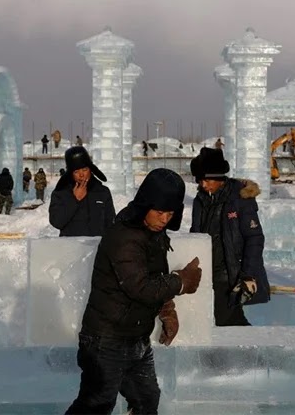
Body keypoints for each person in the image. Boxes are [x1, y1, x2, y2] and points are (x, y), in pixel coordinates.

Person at [64, 168, 203, 415]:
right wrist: (181, 282)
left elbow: (155, 277)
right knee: (96, 404)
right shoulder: (125, 236)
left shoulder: (155, 234)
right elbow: (139, 287)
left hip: (135, 336)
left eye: (170, 213)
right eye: (159, 212)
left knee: (146, 400)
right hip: (105, 340)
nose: (164, 219)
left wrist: (167, 310)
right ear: (145, 205)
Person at [189, 147, 271, 326]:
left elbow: (254, 238)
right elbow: (195, 234)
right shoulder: (200, 200)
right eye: (200, 180)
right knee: (225, 320)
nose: (203, 185)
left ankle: (247, 352)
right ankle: (244, 352)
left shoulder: (240, 199)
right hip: (207, 272)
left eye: (207, 180)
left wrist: (248, 274)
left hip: (229, 274)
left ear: (219, 178)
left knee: (227, 318)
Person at [49, 146, 115, 236]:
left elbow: (111, 224)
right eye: (76, 171)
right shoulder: (61, 193)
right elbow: (57, 222)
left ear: (91, 169)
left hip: (97, 248)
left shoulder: (102, 192)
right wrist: (74, 200)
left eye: (85, 169)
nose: (81, 175)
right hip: (71, 248)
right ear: (70, 173)